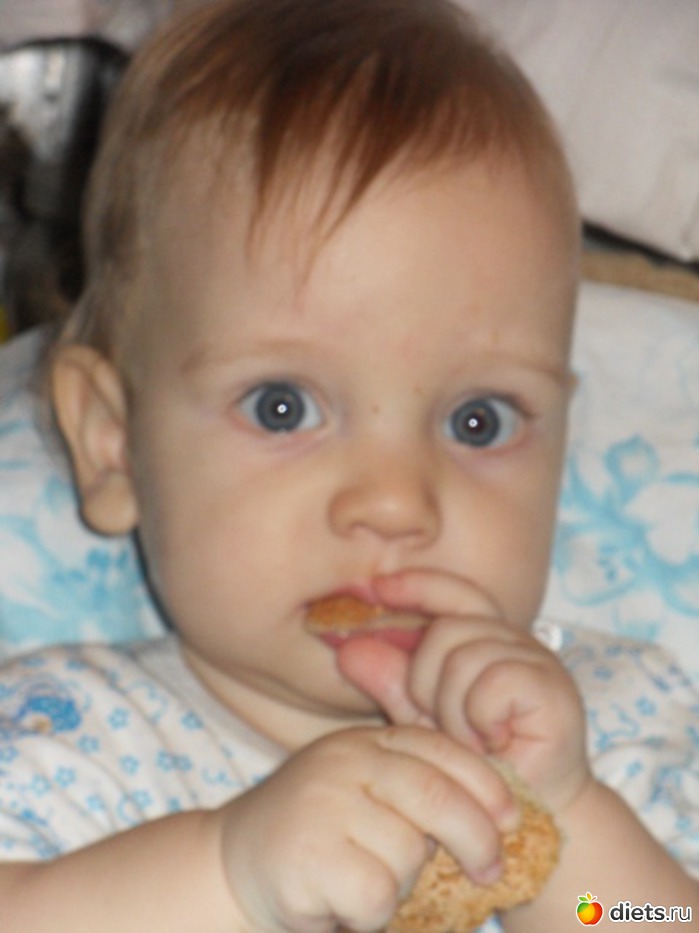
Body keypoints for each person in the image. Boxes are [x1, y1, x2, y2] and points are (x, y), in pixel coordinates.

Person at [0, 0, 696, 929]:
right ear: (113, 442)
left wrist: (563, 828)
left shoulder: (603, 722)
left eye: (478, 421)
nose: (396, 503)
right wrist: (225, 876)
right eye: (281, 406)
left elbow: (640, 919)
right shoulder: (64, 734)